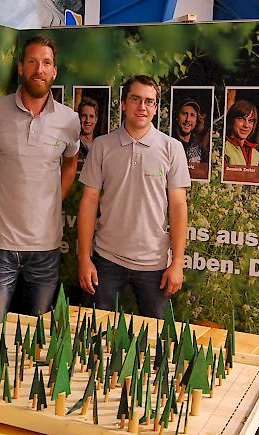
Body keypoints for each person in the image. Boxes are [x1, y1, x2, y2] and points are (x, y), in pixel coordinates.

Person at [0, 35, 80, 329]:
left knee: (36, 336)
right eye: (32, 61)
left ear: (54, 72)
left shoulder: (69, 121)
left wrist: (56, 199)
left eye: (46, 63)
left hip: (45, 249)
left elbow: (71, 164)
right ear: (20, 67)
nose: (38, 69)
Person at [78, 75, 190, 318]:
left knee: (155, 342)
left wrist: (177, 262)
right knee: (96, 335)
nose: (142, 107)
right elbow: (88, 202)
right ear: (123, 103)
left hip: (155, 265)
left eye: (149, 101)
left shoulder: (172, 148)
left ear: (156, 107)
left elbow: (178, 207)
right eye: (136, 99)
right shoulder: (102, 146)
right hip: (106, 261)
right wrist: (84, 259)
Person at [224, 100, 259, 167]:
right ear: (231, 120)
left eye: (250, 121)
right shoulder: (221, 147)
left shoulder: (256, 155)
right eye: (241, 119)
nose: (246, 125)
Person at [173, 98, 209, 165]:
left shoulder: (200, 147)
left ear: (196, 121)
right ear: (177, 117)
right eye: (184, 114)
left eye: (192, 115)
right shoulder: (169, 143)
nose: (188, 119)